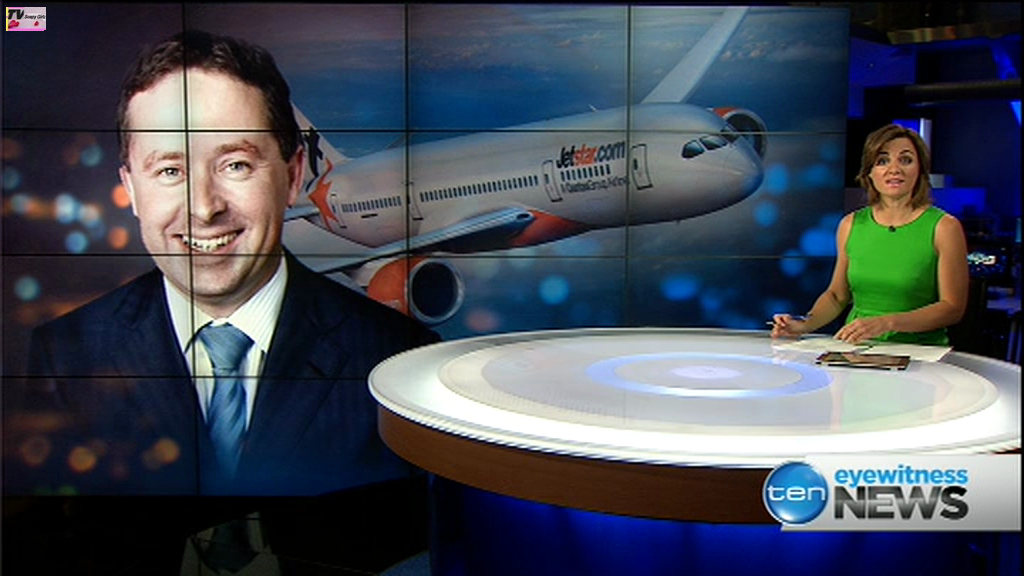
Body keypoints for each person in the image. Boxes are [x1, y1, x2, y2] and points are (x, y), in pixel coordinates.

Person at [12, 30, 440, 496]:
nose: (204, 208)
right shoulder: (65, 356)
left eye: (235, 165)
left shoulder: (398, 358)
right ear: (131, 189)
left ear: (294, 175)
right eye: (170, 171)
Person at [772, 123, 968, 345]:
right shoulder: (851, 224)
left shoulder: (944, 227)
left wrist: (887, 323)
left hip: (918, 352)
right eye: (882, 161)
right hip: (857, 349)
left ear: (920, 170)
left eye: (905, 160)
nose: (894, 169)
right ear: (870, 172)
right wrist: (803, 324)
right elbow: (837, 296)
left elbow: (952, 308)